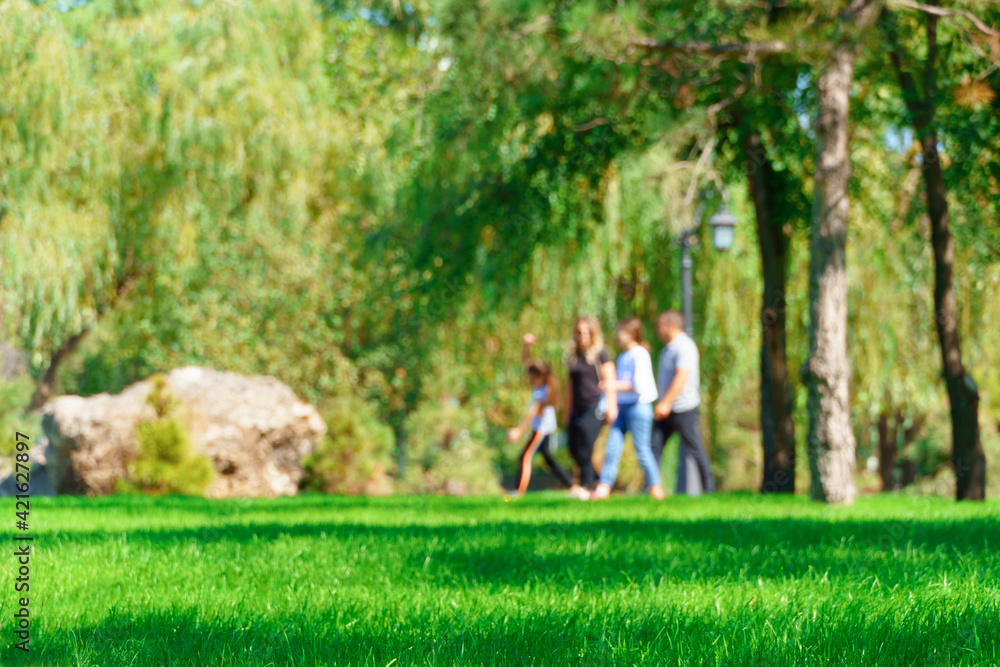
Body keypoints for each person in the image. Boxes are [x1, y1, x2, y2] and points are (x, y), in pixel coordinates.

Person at [591, 318, 665, 500]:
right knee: (612, 448)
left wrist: (612, 384)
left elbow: (638, 385)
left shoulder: (640, 354)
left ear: (632, 334)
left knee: (642, 449)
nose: (618, 335)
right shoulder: (623, 356)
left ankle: (655, 488)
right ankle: (604, 487)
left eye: (622, 332)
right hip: (622, 406)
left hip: (638, 407)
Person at [550, 317, 617, 500]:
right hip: (576, 408)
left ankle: (587, 486)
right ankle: (596, 482)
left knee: (586, 446)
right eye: (579, 332)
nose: (582, 335)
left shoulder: (601, 354)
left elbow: (610, 380)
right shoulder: (574, 356)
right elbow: (569, 386)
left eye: (587, 332)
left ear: (593, 333)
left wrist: (612, 407)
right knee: (573, 446)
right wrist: (566, 412)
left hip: (594, 406)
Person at [651, 311, 715, 494]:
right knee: (654, 446)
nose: (657, 330)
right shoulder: (669, 348)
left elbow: (681, 377)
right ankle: (652, 487)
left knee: (694, 448)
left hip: (684, 407)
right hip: (668, 409)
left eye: (660, 326)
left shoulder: (684, 346)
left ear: (670, 326)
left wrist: (666, 403)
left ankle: (709, 489)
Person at [506, 356, 574, 496]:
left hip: (542, 429)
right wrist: (526, 346)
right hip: (541, 428)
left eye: (531, 378)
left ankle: (518, 491)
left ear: (540, 377)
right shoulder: (539, 388)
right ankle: (572, 485)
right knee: (548, 459)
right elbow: (527, 361)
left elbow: (533, 412)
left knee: (525, 456)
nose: (529, 380)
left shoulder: (544, 391)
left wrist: (519, 430)